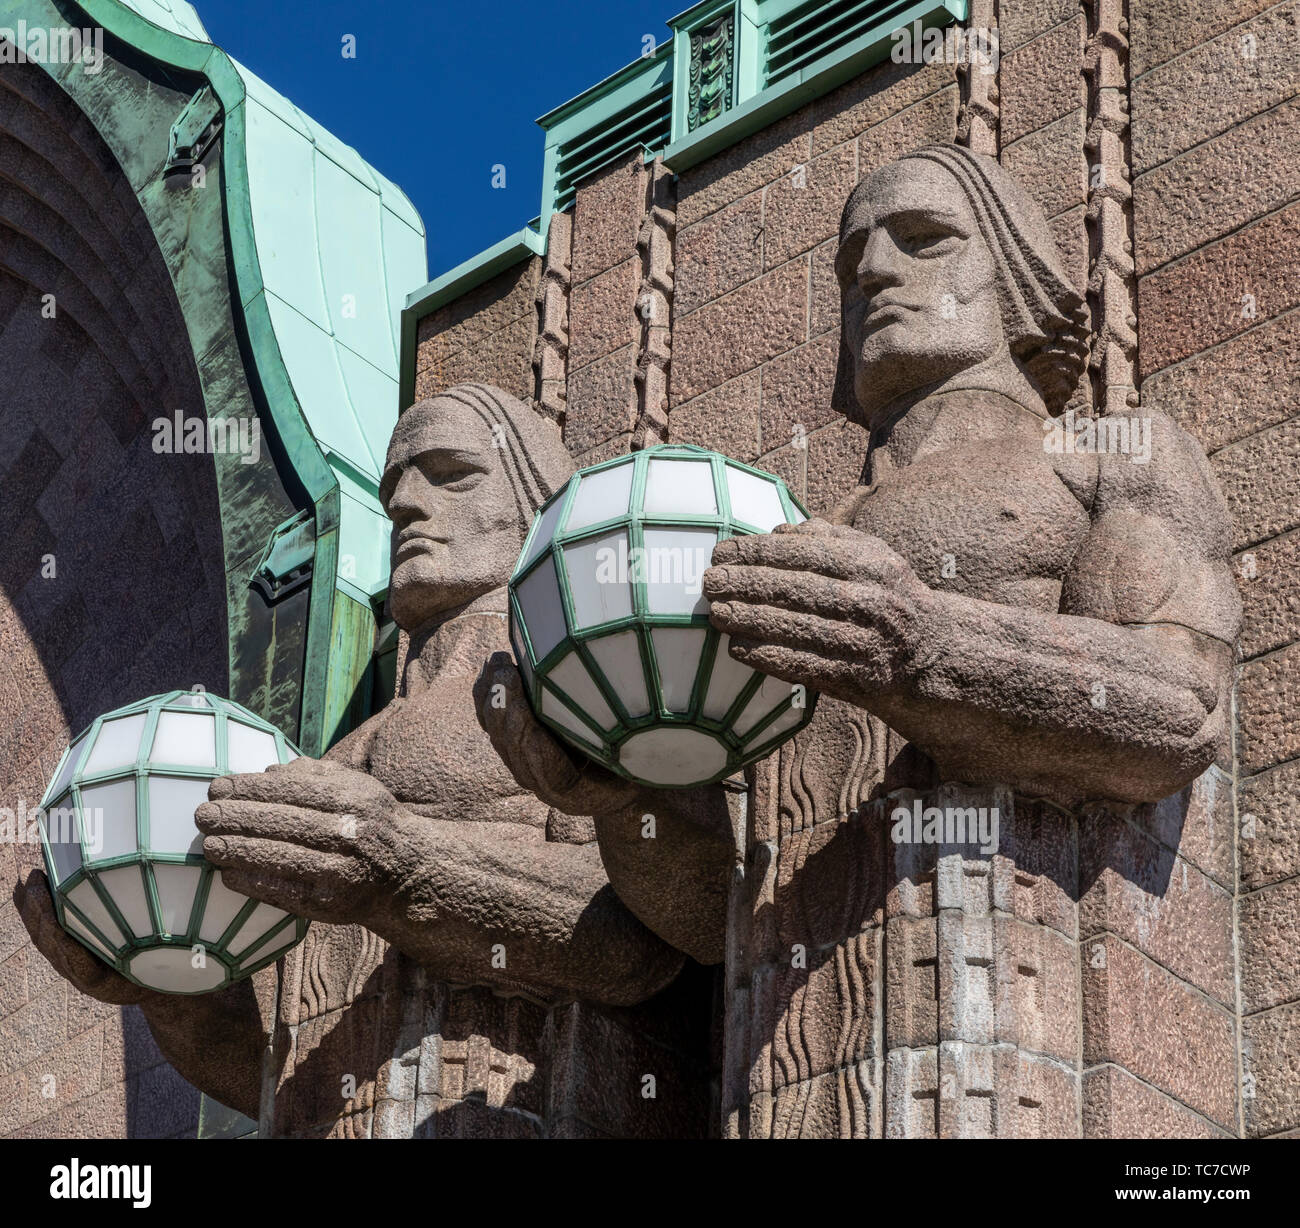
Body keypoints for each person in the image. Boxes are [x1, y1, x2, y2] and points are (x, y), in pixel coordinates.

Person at [17, 383, 733, 1124]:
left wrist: (400, 867)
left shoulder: (579, 685)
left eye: (451, 473)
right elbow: (265, 1070)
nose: (407, 505)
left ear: (535, 498)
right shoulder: (342, 754)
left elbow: (644, 940)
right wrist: (164, 977)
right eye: (394, 489)